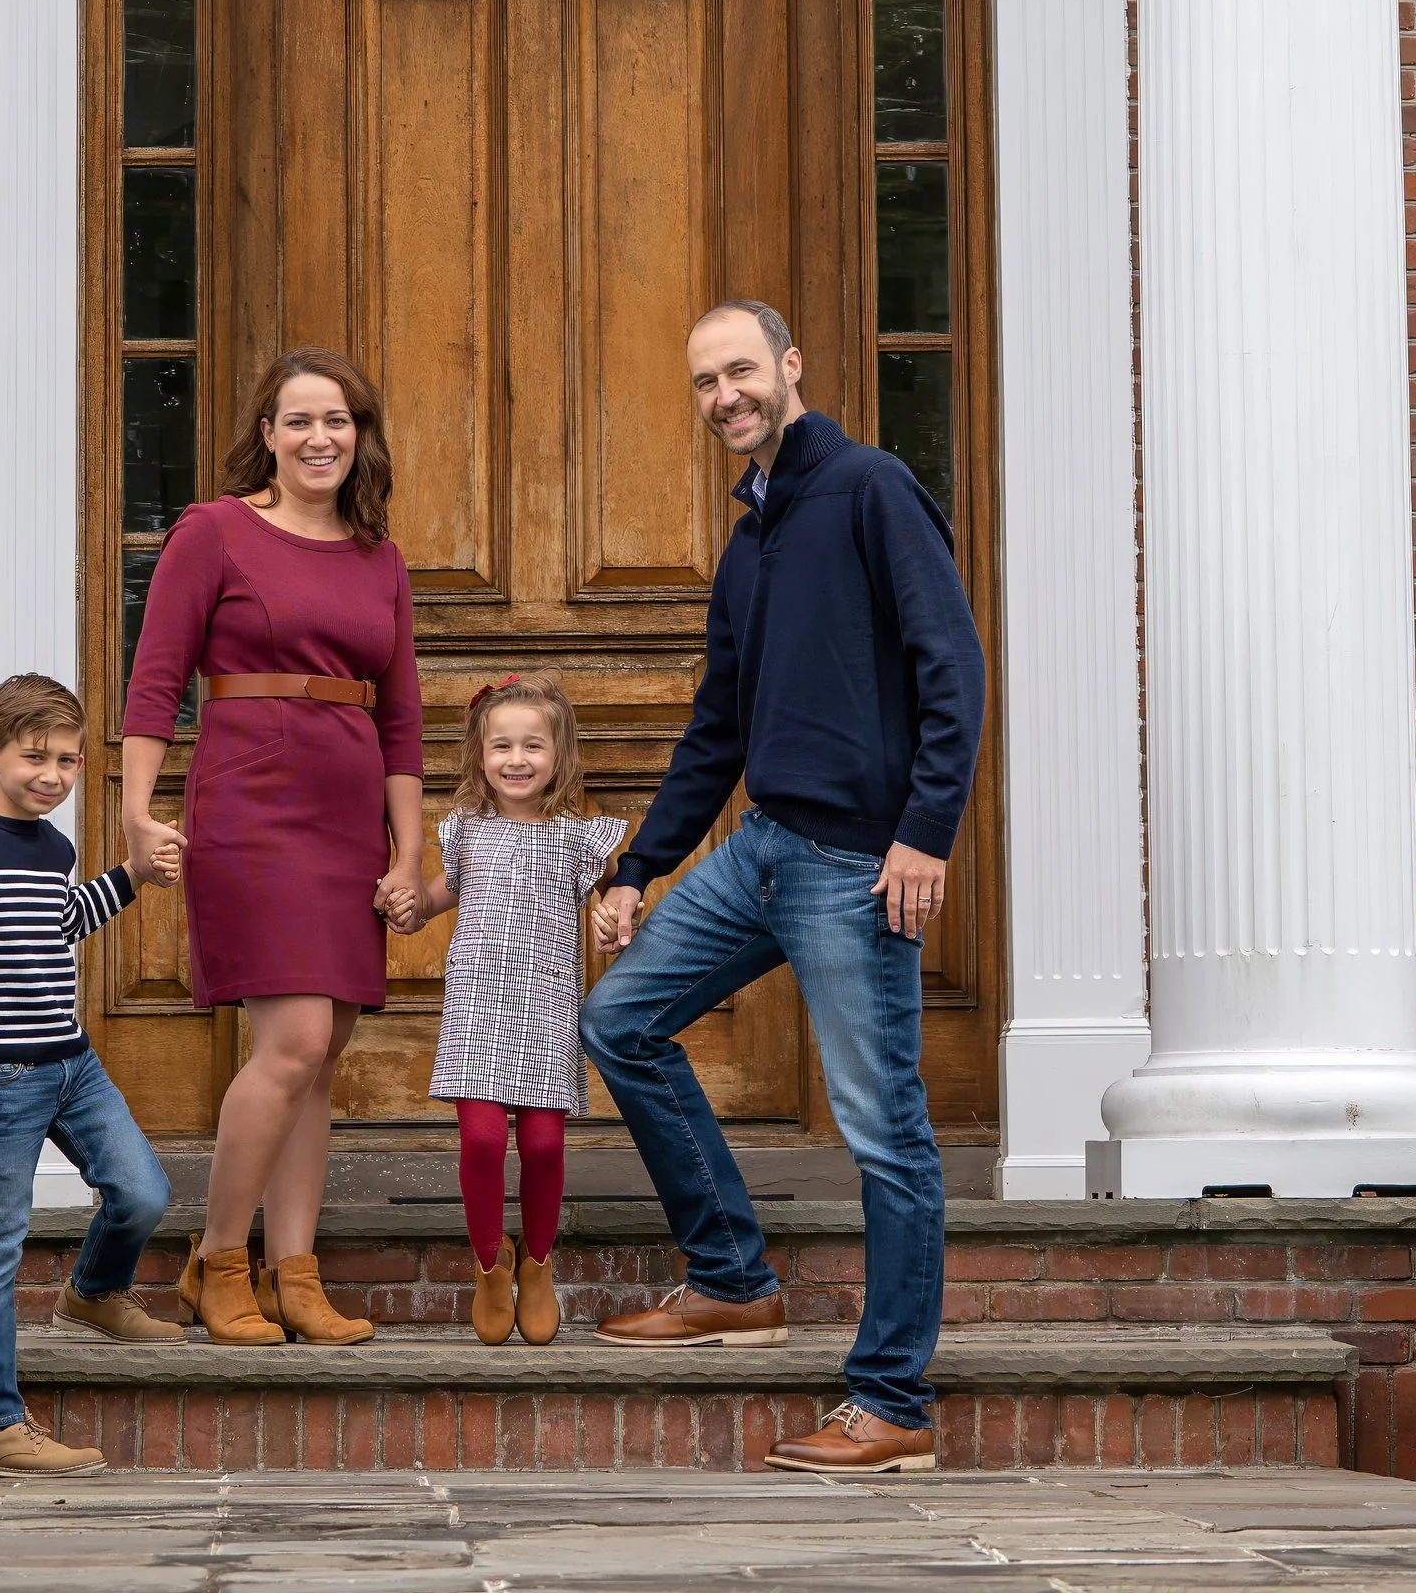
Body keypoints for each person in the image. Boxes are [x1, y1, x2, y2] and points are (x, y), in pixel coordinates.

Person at [580, 300, 986, 1477]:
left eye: (740, 371)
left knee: (884, 1132)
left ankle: (891, 1402)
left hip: (859, 865)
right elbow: (717, 726)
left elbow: (951, 667)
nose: (724, 397)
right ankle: (730, 1280)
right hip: (760, 850)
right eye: (705, 382)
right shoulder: (750, 536)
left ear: (789, 365)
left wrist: (924, 836)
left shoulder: (870, 489)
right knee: (618, 1020)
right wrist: (640, 865)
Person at [121, 348, 424, 1348]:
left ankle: (295, 1276)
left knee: (322, 1054)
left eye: (337, 421)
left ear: (360, 435)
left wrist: (406, 852)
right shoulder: (213, 531)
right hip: (251, 806)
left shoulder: (379, 558)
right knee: (291, 1040)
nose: (319, 438)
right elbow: (157, 679)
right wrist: (136, 811)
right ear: (267, 434)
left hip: (347, 817)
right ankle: (216, 1263)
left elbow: (402, 723)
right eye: (299, 421)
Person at [0, 670, 180, 1480]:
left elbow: (61, 924)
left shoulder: (54, 848)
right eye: (35, 758)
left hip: (72, 1063)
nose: (53, 776)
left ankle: (93, 1294)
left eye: (67, 760)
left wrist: (132, 876)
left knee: (143, 1192)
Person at [392, 675, 625, 1347]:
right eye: (501, 746)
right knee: (484, 1141)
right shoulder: (466, 832)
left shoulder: (578, 839)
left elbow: (613, 900)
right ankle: (491, 1265)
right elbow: (435, 899)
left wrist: (612, 920)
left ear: (559, 754)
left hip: (546, 1004)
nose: (516, 760)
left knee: (544, 1144)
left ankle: (539, 1263)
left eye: (532, 746)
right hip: (478, 1003)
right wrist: (408, 905)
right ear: (480, 755)